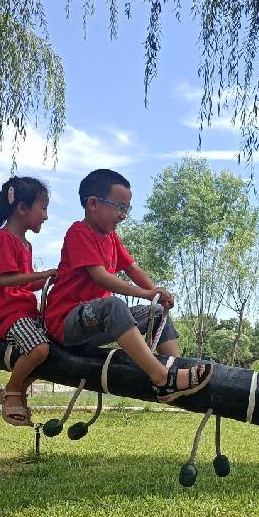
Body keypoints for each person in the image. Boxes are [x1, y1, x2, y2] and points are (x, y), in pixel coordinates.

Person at [43, 168, 213, 402]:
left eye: (127, 209)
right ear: (93, 204)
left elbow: (132, 268)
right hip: (66, 323)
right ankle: (162, 379)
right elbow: (101, 276)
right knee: (113, 305)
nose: (123, 215)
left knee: (156, 311)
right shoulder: (78, 233)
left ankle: (177, 368)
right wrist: (146, 293)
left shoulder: (111, 238)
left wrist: (157, 295)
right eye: (120, 207)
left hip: (94, 323)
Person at [0, 177, 58, 426]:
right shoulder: (3, 240)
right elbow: (5, 280)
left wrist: (52, 278)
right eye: (43, 208)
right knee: (40, 348)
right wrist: (42, 275)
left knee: (56, 341)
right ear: (22, 208)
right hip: (5, 314)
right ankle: (13, 389)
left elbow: (24, 282)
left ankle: (19, 389)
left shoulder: (26, 245)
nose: (45, 216)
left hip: (24, 312)